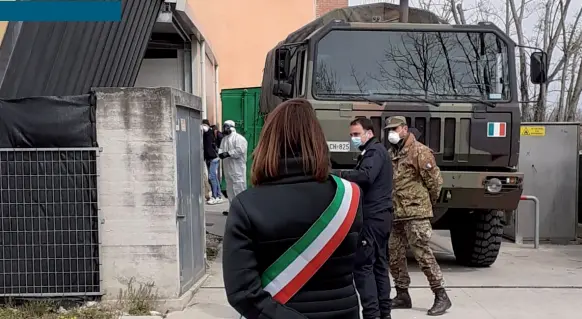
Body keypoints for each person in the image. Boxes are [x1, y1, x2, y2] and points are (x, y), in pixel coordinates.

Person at [223, 98, 363, 319]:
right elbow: (362, 266)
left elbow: (243, 293)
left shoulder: (246, 205)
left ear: (268, 141)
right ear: (318, 139)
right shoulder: (349, 196)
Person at [384, 116, 452, 316]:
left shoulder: (420, 152)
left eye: (395, 128)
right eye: (389, 129)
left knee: (422, 254)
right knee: (394, 255)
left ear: (405, 129)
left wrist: (424, 204)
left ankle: (441, 295)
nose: (391, 133)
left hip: (416, 212)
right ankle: (402, 294)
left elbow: (435, 183)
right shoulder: (391, 153)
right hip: (396, 212)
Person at [334, 118, 393, 319]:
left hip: (372, 218)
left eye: (356, 134)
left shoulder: (374, 152)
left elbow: (366, 176)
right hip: (380, 217)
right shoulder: (373, 152)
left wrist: (337, 174)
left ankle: (372, 314)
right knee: (379, 266)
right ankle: (383, 313)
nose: (353, 138)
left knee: (363, 267)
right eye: (351, 135)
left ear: (369, 133)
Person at [218, 120, 248, 216]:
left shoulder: (239, 138)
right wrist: (220, 154)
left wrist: (228, 153)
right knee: (230, 189)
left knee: (239, 188)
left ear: (231, 127)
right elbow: (221, 149)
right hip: (228, 169)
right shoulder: (224, 139)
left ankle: (242, 210)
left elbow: (240, 150)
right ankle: (232, 209)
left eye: (225, 127)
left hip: (237, 169)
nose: (224, 129)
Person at [202, 119, 224, 205]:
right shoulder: (209, 132)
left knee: (212, 177)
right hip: (211, 158)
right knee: (214, 177)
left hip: (213, 158)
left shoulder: (209, 131)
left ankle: (215, 197)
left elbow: (204, 128)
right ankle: (218, 196)